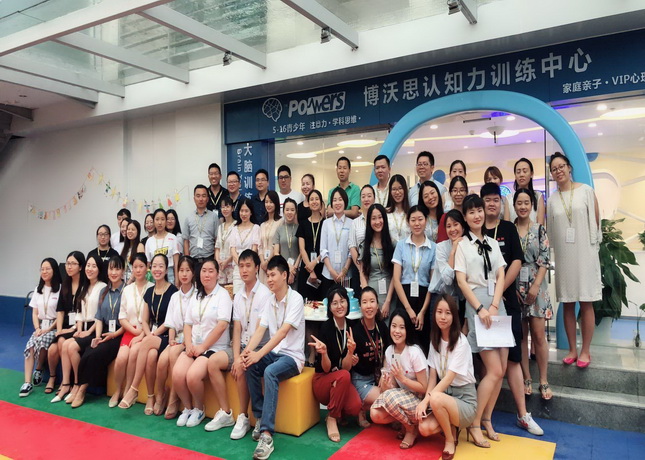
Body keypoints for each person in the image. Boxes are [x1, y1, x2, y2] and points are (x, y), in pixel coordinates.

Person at [481, 183, 543, 436]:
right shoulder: (475, 229)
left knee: (514, 358)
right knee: (485, 361)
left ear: (501, 203)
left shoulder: (508, 228)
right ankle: (483, 416)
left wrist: (499, 291)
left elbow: (517, 261)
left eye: (496, 199)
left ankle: (523, 415)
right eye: (487, 200)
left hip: (507, 301)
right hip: (480, 306)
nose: (492, 204)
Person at [454, 194, 507, 448]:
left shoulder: (493, 243)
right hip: (477, 308)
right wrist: (480, 309)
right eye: (471, 212)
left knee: (501, 370)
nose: (477, 215)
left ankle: (487, 419)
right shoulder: (463, 246)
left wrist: (495, 305)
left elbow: (501, 274)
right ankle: (474, 423)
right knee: (493, 370)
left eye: (479, 210)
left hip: (498, 306)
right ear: (465, 217)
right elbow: (461, 281)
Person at [242, 255, 305, 460]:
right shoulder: (270, 301)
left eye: (273, 275)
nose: (269, 279)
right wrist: (246, 354)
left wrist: (259, 354)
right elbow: (260, 331)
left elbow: (282, 333)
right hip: (274, 354)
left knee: (269, 371)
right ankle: (260, 417)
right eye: (267, 275)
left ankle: (267, 435)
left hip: (292, 357)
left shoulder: (296, 299)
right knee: (250, 364)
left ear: (284, 275)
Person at [547, 152, 601, 369]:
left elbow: (596, 223)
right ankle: (572, 349)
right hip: (564, 255)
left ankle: (585, 350)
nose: (558, 171)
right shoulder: (552, 199)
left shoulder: (586, 191)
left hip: (584, 252)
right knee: (567, 302)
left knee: (586, 301)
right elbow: (550, 231)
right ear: (552, 174)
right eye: (554, 169)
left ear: (569, 168)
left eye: (561, 166)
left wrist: (593, 249)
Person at [173, 258, 233, 428]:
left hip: (213, 348)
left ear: (218, 274)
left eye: (211, 271)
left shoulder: (223, 296)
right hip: (193, 346)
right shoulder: (196, 295)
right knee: (177, 374)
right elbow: (187, 324)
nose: (207, 274)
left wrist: (203, 347)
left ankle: (199, 409)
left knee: (192, 376)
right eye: (204, 271)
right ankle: (188, 407)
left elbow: (222, 326)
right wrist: (189, 345)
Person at [416, 295, 477, 460]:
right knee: (424, 429)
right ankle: (452, 426)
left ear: (454, 316)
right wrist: (426, 400)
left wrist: (427, 401)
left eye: (448, 313)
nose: (443, 317)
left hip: (465, 400)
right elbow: (432, 378)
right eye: (439, 312)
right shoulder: (434, 340)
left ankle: (450, 440)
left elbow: (448, 379)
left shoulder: (461, 342)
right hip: (445, 396)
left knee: (435, 398)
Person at [119, 254, 178, 415]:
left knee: (145, 344)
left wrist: (152, 335)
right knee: (151, 355)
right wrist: (148, 334)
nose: (157, 269)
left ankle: (134, 388)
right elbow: (144, 320)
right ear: (151, 268)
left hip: (166, 335)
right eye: (155, 266)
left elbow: (170, 321)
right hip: (152, 336)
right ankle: (152, 397)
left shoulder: (173, 291)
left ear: (166, 269)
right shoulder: (149, 291)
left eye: (161, 266)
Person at [69, 255, 126, 408]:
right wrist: (98, 337)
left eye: (117, 269)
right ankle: (78, 386)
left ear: (123, 271)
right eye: (111, 269)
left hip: (119, 333)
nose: (113, 272)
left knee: (95, 354)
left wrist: (113, 335)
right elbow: (99, 317)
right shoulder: (104, 291)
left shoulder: (126, 291)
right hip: (105, 330)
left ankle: (82, 390)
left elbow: (128, 319)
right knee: (88, 351)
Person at [229, 250, 273, 439]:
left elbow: (259, 331)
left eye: (248, 266)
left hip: (260, 346)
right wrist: (236, 356)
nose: (244, 270)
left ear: (257, 268)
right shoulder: (238, 296)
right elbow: (237, 329)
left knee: (244, 366)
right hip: (243, 345)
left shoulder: (265, 294)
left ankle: (244, 416)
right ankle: (233, 415)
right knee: (223, 363)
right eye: (241, 266)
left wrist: (242, 357)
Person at [309, 285, 361, 443]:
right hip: (322, 381)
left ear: (348, 303)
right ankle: (332, 417)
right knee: (344, 376)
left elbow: (345, 367)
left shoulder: (352, 326)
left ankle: (339, 412)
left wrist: (350, 352)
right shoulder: (326, 328)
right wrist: (324, 353)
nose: (339, 306)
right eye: (335, 303)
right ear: (329, 307)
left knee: (355, 406)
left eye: (342, 301)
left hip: (340, 379)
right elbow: (325, 368)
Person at [370, 309, 428, 450]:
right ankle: (408, 425)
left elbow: (424, 388)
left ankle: (410, 429)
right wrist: (386, 383)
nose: (397, 331)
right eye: (394, 326)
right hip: (401, 398)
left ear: (407, 330)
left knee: (389, 397)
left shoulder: (414, 352)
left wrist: (403, 378)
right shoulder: (390, 351)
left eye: (402, 327)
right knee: (375, 414)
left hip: (419, 401)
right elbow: (391, 388)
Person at [514, 189, 553, 400]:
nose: (523, 206)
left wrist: (536, 286)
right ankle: (526, 377)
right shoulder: (509, 229)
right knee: (521, 336)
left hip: (536, 284)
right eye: (519, 203)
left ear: (532, 205)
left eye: (526, 203)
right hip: (515, 286)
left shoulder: (539, 229)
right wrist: (512, 288)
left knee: (538, 335)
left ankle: (544, 379)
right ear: (514, 206)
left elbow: (545, 259)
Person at [55, 254, 107, 404]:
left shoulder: (103, 287)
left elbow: (100, 315)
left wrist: (88, 332)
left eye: (94, 266)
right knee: (65, 344)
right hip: (82, 327)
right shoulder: (84, 286)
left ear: (99, 269)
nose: (90, 269)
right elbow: (78, 312)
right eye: (88, 265)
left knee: (71, 347)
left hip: (94, 328)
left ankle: (78, 385)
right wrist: (78, 329)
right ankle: (66, 384)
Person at [111, 253, 154, 409]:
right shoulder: (127, 289)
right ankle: (117, 390)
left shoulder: (152, 287)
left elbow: (152, 317)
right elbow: (122, 317)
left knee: (133, 354)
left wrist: (141, 333)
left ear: (147, 267)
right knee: (121, 359)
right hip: (130, 331)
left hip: (146, 332)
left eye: (141, 266)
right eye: (135, 267)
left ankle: (129, 391)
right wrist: (134, 332)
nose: (138, 270)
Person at [392, 206, 435, 353]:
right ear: (408, 222)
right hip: (404, 297)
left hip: (424, 298)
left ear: (426, 221)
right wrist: (408, 309)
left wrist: (422, 311)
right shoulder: (401, 245)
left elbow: (432, 283)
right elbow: (396, 279)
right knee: (403, 340)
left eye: (420, 219)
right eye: (413, 220)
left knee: (422, 342)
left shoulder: (433, 247)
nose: (417, 223)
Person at [160, 255, 197, 419]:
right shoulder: (175, 296)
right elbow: (171, 323)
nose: (184, 274)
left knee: (173, 354)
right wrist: (171, 339)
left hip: (191, 338)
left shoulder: (198, 295)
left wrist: (183, 342)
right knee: (162, 360)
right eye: (181, 270)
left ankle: (174, 399)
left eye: (187, 270)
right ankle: (160, 396)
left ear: (193, 273)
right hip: (177, 338)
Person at [19, 258, 62, 397]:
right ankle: (27, 382)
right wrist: (37, 328)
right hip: (41, 326)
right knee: (30, 345)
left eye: (47, 268)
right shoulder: (38, 289)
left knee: (42, 340)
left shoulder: (60, 289)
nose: (44, 271)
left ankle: (39, 368)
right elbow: (35, 312)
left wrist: (48, 329)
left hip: (53, 327)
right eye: (42, 269)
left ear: (54, 270)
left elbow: (61, 315)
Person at [350, 287, 390, 428]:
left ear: (377, 305)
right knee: (387, 398)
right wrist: (351, 357)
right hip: (361, 380)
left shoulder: (382, 326)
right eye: (365, 302)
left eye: (372, 301)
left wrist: (385, 374)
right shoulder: (355, 330)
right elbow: (349, 361)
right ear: (360, 306)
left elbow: (388, 352)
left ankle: (366, 406)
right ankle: (361, 406)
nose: (369, 306)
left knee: (392, 392)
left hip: (378, 376)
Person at [49, 251, 86, 400]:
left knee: (62, 342)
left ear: (81, 267)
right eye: (67, 263)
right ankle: (56, 379)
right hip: (65, 326)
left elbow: (83, 313)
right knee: (53, 349)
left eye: (73, 264)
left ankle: (67, 383)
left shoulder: (85, 285)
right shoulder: (65, 284)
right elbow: (60, 311)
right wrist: (59, 330)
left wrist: (69, 330)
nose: (69, 267)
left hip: (78, 325)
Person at [429, 210, 466, 328]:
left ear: (463, 226)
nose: (452, 229)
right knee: (438, 336)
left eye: (456, 224)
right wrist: (453, 251)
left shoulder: (469, 246)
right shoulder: (440, 247)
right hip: (440, 297)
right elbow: (448, 279)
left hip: (461, 299)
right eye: (448, 226)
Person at [360, 204, 395, 317]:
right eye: (373, 218)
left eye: (380, 217)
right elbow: (362, 274)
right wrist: (369, 301)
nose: (377, 221)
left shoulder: (393, 244)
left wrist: (387, 302)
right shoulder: (365, 245)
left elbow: (395, 275)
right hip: (372, 296)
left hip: (390, 296)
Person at [320, 187, 354, 292]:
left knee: (345, 301)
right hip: (328, 274)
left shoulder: (351, 223)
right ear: (331, 203)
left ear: (345, 202)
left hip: (346, 275)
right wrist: (331, 271)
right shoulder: (326, 223)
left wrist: (344, 270)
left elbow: (351, 251)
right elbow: (323, 250)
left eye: (340, 199)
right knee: (328, 301)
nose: (337, 203)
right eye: (334, 200)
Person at [297, 189, 326, 301]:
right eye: (312, 199)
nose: (314, 202)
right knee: (305, 303)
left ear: (321, 203)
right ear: (308, 203)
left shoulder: (326, 223)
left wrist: (315, 262)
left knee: (321, 303)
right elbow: (302, 249)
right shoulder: (303, 224)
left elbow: (327, 248)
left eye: (317, 199)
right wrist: (310, 269)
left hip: (322, 267)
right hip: (306, 268)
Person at [230, 198, 261, 293]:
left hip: (250, 267)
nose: (244, 214)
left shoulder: (256, 228)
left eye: (246, 211)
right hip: (237, 269)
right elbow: (232, 250)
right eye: (241, 211)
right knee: (237, 295)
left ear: (251, 212)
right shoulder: (234, 228)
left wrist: (246, 265)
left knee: (251, 295)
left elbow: (254, 249)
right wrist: (241, 265)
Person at [183, 184, 219, 263]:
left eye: (203, 196)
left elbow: (217, 240)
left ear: (207, 199)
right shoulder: (188, 218)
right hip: (193, 260)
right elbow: (186, 241)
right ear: (194, 199)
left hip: (209, 258)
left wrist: (215, 260)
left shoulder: (214, 217)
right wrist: (187, 261)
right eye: (198, 196)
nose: (201, 199)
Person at [144, 208, 181, 284]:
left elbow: (176, 262)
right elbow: (148, 264)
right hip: (154, 275)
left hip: (169, 274)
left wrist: (177, 279)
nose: (160, 222)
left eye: (162, 219)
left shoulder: (173, 238)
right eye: (157, 219)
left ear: (166, 221)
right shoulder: (149, 241)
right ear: (154, 222)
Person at [349, 185, 375, 278]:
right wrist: (361, 270)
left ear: (374, 198)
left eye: (369, 196)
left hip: (378, 267)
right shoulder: (355, 222)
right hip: (359, 267)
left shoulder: (379, 221)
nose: (366, 199)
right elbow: (352, 246)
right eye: (363, 197)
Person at [272, 198, 300, 288]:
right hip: (282, 269)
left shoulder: (300, 228)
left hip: (297, 270)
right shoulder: (279, 229)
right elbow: (276, 252)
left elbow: (302, 251)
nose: (289, 212)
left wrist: (294, 269)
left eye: (292, 210)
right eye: (287, 210)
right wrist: (288, 267)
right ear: (283, 211)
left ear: (296, 212)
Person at [509, 158, 545, 225]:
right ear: (515, 175)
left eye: (525, 171)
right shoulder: (509, 198)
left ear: (531, 174)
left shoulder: (538, 196)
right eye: (518, 172)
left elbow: (540, 225)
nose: (521, 175)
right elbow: (506, 225)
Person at [259, 191, 283, 283]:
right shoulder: (262, 224)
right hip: (263, 266)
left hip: (274, 263)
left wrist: (267, 261)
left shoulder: (281, 222)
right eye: (266, 202)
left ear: (276, 203)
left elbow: (278, 244)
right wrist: (263, 262)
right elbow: (260, 246)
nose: (268, 204)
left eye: (271, 202)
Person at [437, 176, 468, 242]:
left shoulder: (469, 216)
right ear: (450, 193)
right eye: (455, 190)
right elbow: (441, 243)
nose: (458, 194)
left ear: (466, 192)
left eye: (462, 190)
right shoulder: (445, 217)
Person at [215, 196, 236, 286]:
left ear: (233, 208)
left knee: (231, 290)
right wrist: (218, 260)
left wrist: (226, 261)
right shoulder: (220, 227)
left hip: (231, 265)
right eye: (223, 207)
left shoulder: (236, 226)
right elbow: (217, 247)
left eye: (227, 206)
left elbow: (236, 248)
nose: (225, 209)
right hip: (221, 267)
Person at [386, 174, 411, 244]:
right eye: (394, 189)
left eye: (400, 188)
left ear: (405, 189)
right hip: (389, 250)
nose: (397, 192)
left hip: (408, 249)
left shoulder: (411, 213)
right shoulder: (385, 213)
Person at [121, 219, 145, 284]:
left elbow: (140, 266)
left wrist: (130, 281)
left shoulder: (140, 246)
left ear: (138, 232)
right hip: (124, 281)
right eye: (128, 229)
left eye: (133, 229)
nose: (130, 231)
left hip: (134, 282)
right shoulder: (125, 247)